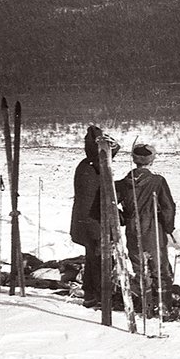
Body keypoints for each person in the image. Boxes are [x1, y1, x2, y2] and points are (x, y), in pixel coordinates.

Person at [115, 144, 176, 314]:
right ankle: (163, 308)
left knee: (141, 269)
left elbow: (111, 205)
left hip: (133, 232)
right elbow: (168, 207)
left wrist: (123, 218)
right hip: (153, 230)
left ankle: (146, 306)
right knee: (160, 269)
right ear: (150, 161)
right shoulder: (158, 181)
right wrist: (169, 227)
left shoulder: (122, 183)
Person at [69, 126, 120, 308]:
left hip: (86, 222)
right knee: (100, 260)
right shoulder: (97, 168)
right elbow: (102, 198)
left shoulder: (86, 165)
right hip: (94, 223)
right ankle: (101, 297)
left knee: (92, 259)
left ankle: (91, 295)